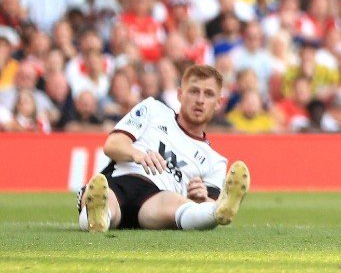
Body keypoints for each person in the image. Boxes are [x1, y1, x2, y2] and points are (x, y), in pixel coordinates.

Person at [76, 64, 250, 233]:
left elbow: (206, 199)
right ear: (180, 94)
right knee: (105, 203)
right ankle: (99, 217)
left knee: (180, 204)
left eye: (209, 94)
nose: (200, 100)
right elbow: (112, 144)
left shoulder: (215, 161)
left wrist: (202, 199)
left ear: (218, 103)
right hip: (120, 181)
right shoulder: (154, 109)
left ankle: (216, 212)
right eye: (194, 91)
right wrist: (137, 155)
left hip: (156, 199)